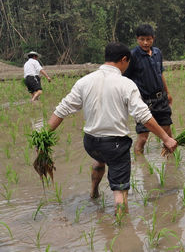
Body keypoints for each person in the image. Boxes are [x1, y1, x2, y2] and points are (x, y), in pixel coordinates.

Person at [46, 42, 177, 216]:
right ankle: (122, 230)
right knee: (120, 190)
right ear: (124, 60)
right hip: (115, 145)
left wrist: (43, 137)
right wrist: (166, 138)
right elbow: (143, 116)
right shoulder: (126, 84)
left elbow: (61, 110)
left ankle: (93, 193)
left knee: (100, 160)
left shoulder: (84, 81)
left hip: (90, 142)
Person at [124, 24, 173, 155]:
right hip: (143, 102)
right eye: (142, 39)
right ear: (137, 39)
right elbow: (125, 79)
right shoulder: (132, 56)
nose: (145, 43)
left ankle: (171, 165)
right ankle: (141, 166)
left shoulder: (157, 53)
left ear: (153, 39)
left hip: (160, 99)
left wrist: (167, 93)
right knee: (143, 137)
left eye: (148, 39)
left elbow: (160, 73)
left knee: (167, 131)